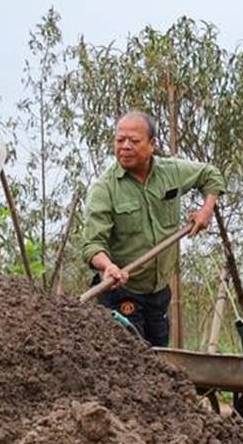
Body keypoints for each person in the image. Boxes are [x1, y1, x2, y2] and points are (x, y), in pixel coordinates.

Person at [80, 111, 225, 346]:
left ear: (152, 144)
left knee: (158, 357)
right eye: (120, 140)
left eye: (134, 141)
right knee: (131, 358)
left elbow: (211, 175)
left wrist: (206, 210)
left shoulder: (172, 172)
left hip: (158, 293)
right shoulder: (104, 189)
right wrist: (108, 266)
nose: (125, 146)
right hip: (122, 293)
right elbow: (92, 245)